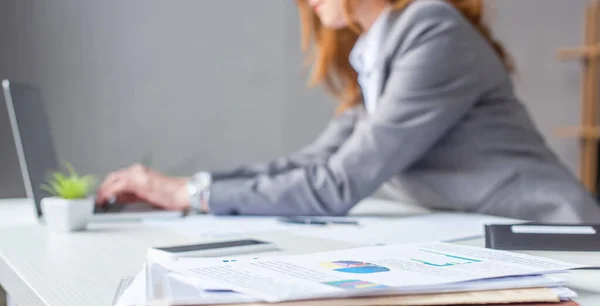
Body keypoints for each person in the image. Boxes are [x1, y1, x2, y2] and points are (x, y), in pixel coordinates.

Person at [96, 0, 600, 223]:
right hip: (474, 230)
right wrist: (187, 187)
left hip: (553, 234)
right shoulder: (380, 55)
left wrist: (190, 195)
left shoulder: (431, 28)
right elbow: (313, 164)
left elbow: (337, 186)